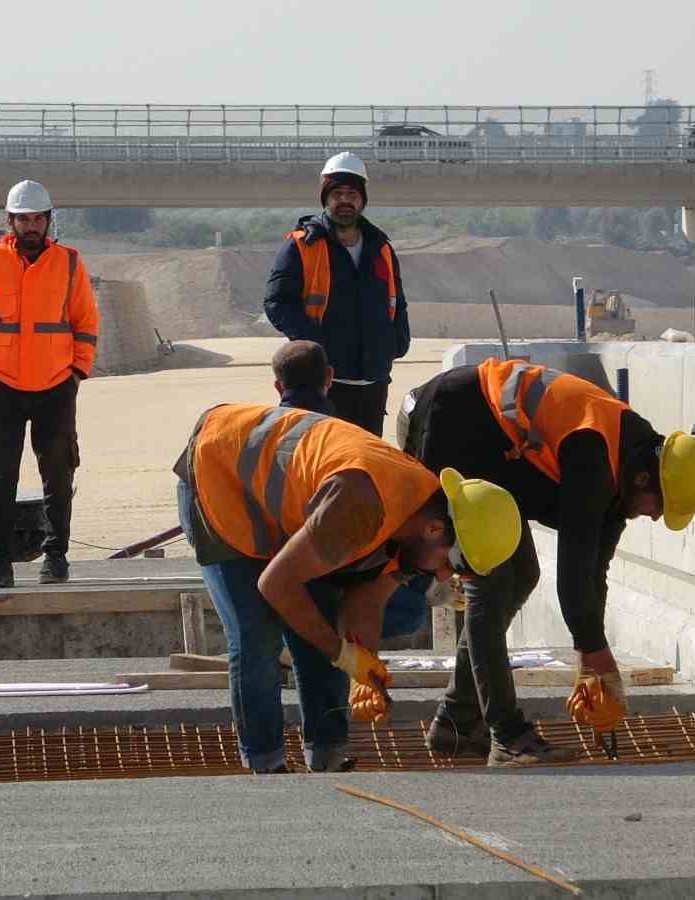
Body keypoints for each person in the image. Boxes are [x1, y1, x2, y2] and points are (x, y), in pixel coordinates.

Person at [396, 358, 695, 766]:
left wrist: (594, 656)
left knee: (522, 575)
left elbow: (594, 571)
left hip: (492, 444)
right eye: (661, 506)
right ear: (645, 480)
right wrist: (593, 652)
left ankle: (457, 722)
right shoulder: (594, 453)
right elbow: (571, 574)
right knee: (493, 583)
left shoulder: (628, 463)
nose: (657, 516)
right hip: (452, 421)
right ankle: (507, 736)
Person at [173, 401, 521, 773]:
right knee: (256, 635)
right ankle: (265, 764)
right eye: (453, 565)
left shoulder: (417, 518)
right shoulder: (361, 504)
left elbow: (367, 601)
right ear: (435, 529)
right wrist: (342, 654)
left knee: (317, 624)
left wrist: (362, 668)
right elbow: (275, 583)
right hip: (220, 476)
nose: (441, 578)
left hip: (293, 507)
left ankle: (326, 755)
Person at [0, 180, 98, 590]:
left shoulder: (70, 264)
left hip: (56, 388)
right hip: (3, 388)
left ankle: (56, 557)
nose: (31, 226)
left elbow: (85, 322)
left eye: (38, 219)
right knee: (0, 477)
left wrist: (76, 373)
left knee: (58, 476)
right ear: (10, 221)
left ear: (48, 221)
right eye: (24, 219)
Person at [269, 339, 437, 644]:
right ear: (330, 377)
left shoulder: (269, 433)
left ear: (279, 388)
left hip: (275, 544)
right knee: (408, 609)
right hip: (313, 554)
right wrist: (338, 651)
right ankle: (306, 637)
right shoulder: (338, 433)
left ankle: (304, 638)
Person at [264, 152, 408, 436]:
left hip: (373, 383)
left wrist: (398, 342)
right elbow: (276, 303)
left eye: (352, 193)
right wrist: (317, 346)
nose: (345, 200)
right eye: (337, 193)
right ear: (325, 198)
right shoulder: (302, 246)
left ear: (362, 198)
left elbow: (397, 302)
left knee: (365, 463)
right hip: (323, 384)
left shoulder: (381, 248)